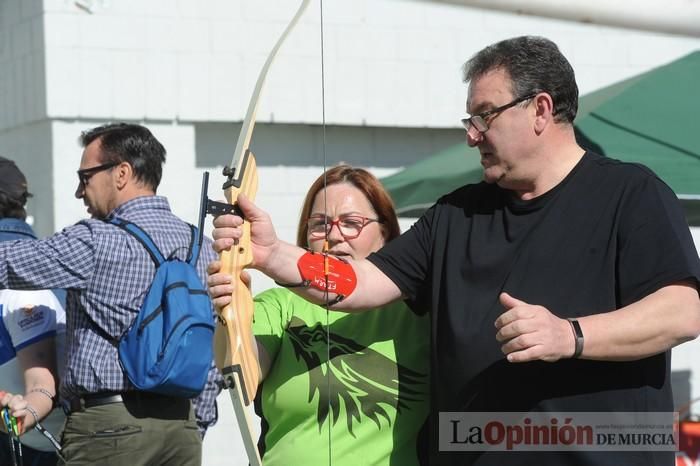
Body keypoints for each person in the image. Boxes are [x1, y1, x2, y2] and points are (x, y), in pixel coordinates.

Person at [209, 36, 700, 466]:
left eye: (485, 117)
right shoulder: (456, 213)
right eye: (470, 119)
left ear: (541, 109)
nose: (472, 136)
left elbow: (683, 311)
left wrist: (569, 335)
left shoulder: (631, 193)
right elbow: (362, 282)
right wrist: (274, 255)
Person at [0, 124, 220, 465]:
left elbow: (9, 263)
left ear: (121, 173)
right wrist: (196, 425)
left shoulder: (95, 240)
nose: (79, 191)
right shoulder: (203, 250)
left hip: (108, 430)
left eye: (85, 177)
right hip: (182, 429)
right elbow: (212, 352)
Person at [209, 165, 430, 465]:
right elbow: (242, 376)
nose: (334, 236)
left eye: (352, 223)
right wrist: (230, 311)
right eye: (320, 224)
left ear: (385, 233)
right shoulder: (281, 303)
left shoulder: (417, 310)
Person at [0, 157, 65, 466]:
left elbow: (41, 385)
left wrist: (19, 414)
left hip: (34, 448)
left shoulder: (17, 283)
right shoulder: (41, 260)